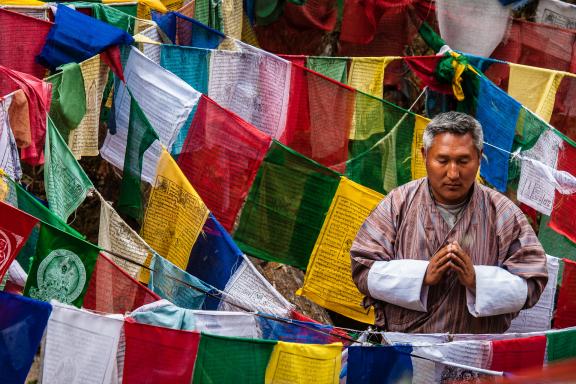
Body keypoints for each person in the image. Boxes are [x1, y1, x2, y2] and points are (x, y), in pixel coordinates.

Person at [350, 111, 548, 333]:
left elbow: (533, 282)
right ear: (424, 155)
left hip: (475, 355)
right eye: (442, 160)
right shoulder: (397, 204)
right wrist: (421, 275)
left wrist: (478, 280)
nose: (453, 173)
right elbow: (362, 268)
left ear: (480, 156)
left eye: (463, 161)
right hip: (407, 353)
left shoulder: (503, 213)